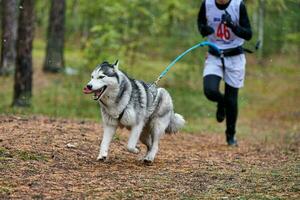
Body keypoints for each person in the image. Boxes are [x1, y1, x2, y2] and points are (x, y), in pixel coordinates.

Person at [197, 0, 252, 146]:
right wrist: (204, 30)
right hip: (214, 56)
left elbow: (248, 34)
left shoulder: (238, 5)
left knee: (232, 99)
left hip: (235, 57)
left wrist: (233, 26)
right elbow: (200, 23)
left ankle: (230, 135)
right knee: (209, 90)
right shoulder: (207, 4)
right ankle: (221, 103)